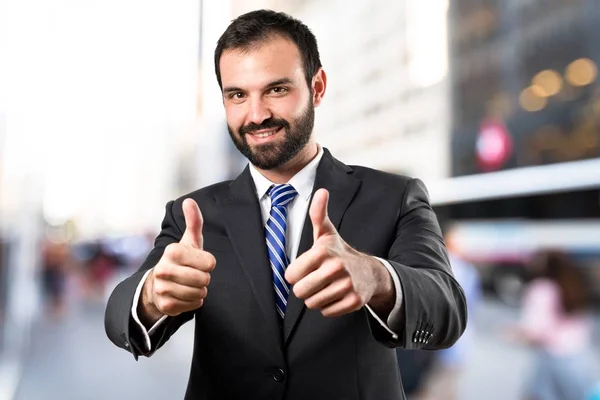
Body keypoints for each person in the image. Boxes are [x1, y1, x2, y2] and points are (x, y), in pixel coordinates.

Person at [104, 9, 467, 400]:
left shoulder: (395, 197)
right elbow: (118, 316)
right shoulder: (192, 214)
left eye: (276, 89)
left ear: (318, 86)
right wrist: (151, 295)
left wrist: (377, 279)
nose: (256, 115)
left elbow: (447, 311)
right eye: (238, 95)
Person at [506, 250, 599, 400]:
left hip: (552, 361)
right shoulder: (575, 285)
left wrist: (512, 333)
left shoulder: (541, 288)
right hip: (580, 359)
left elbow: (534, 331)